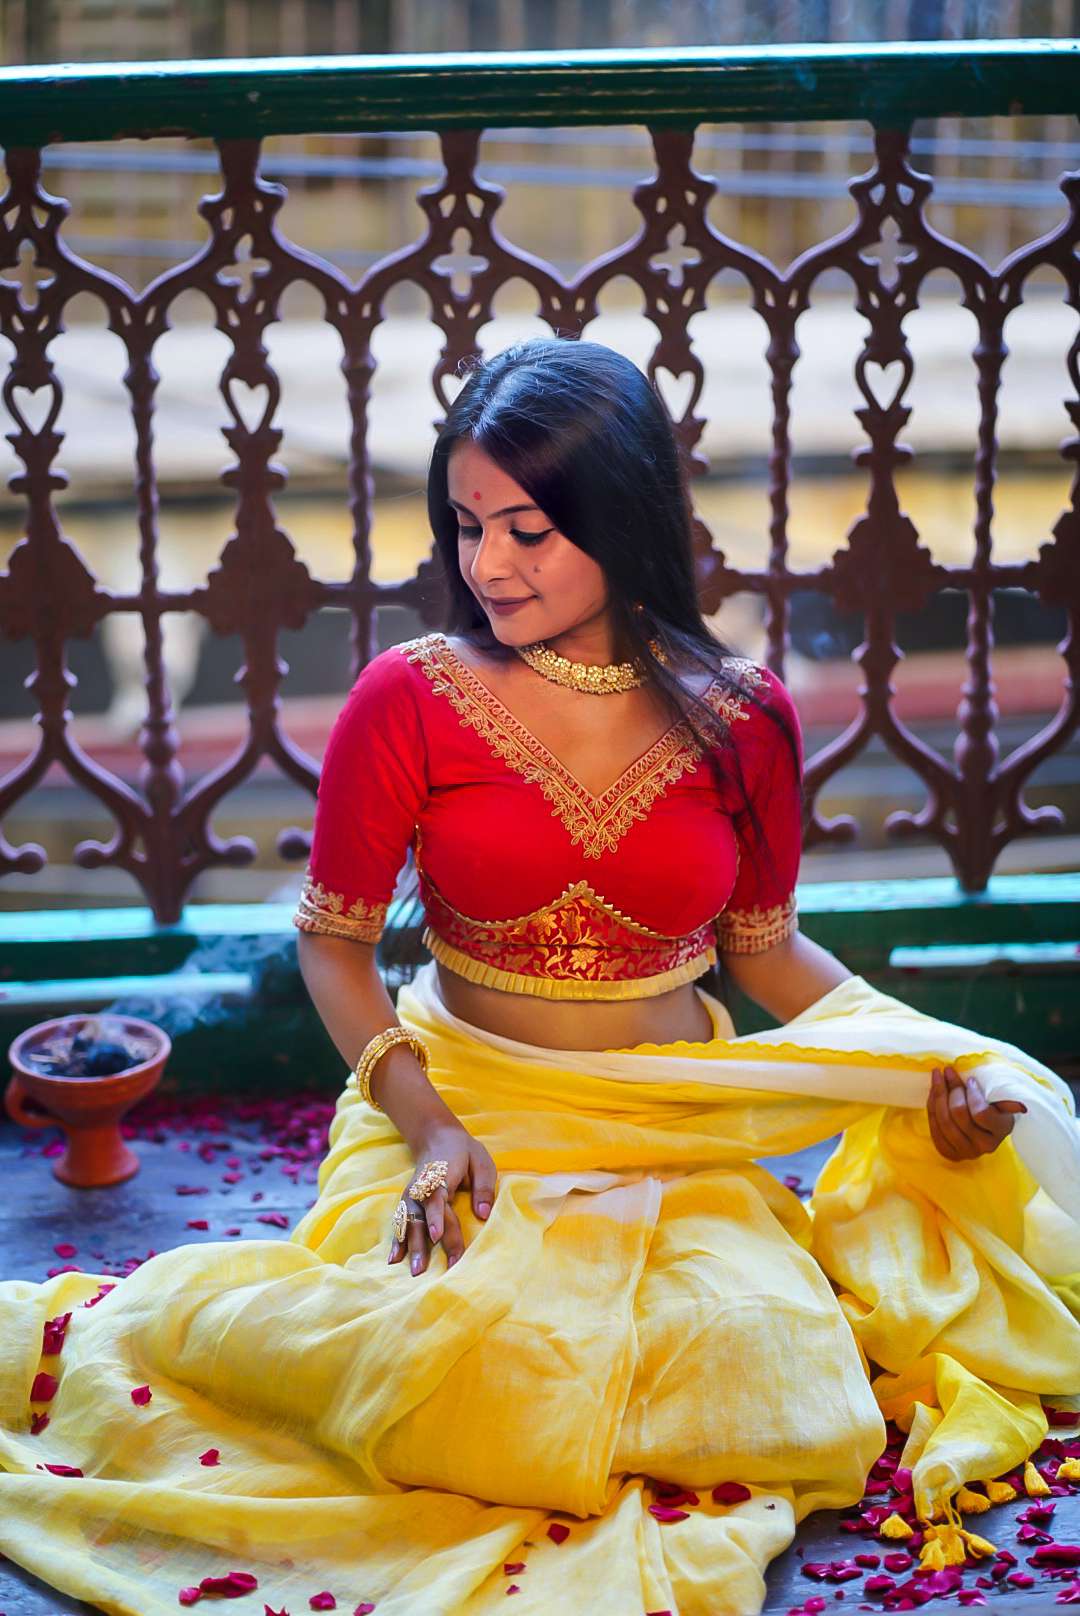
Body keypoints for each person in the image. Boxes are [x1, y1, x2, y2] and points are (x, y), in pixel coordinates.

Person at [0, 337, 1077, 1616]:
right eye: (466, 525)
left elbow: (765, 946)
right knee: (433, 1362)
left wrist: (925, 1063)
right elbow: (333, 943)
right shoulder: (411, 698)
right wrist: (434, 1127)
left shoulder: (745, 715)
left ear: (619, 517)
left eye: (526, 528)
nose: (486, 564)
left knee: (767, 1378)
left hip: (672, 1125)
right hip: (462, 1113)